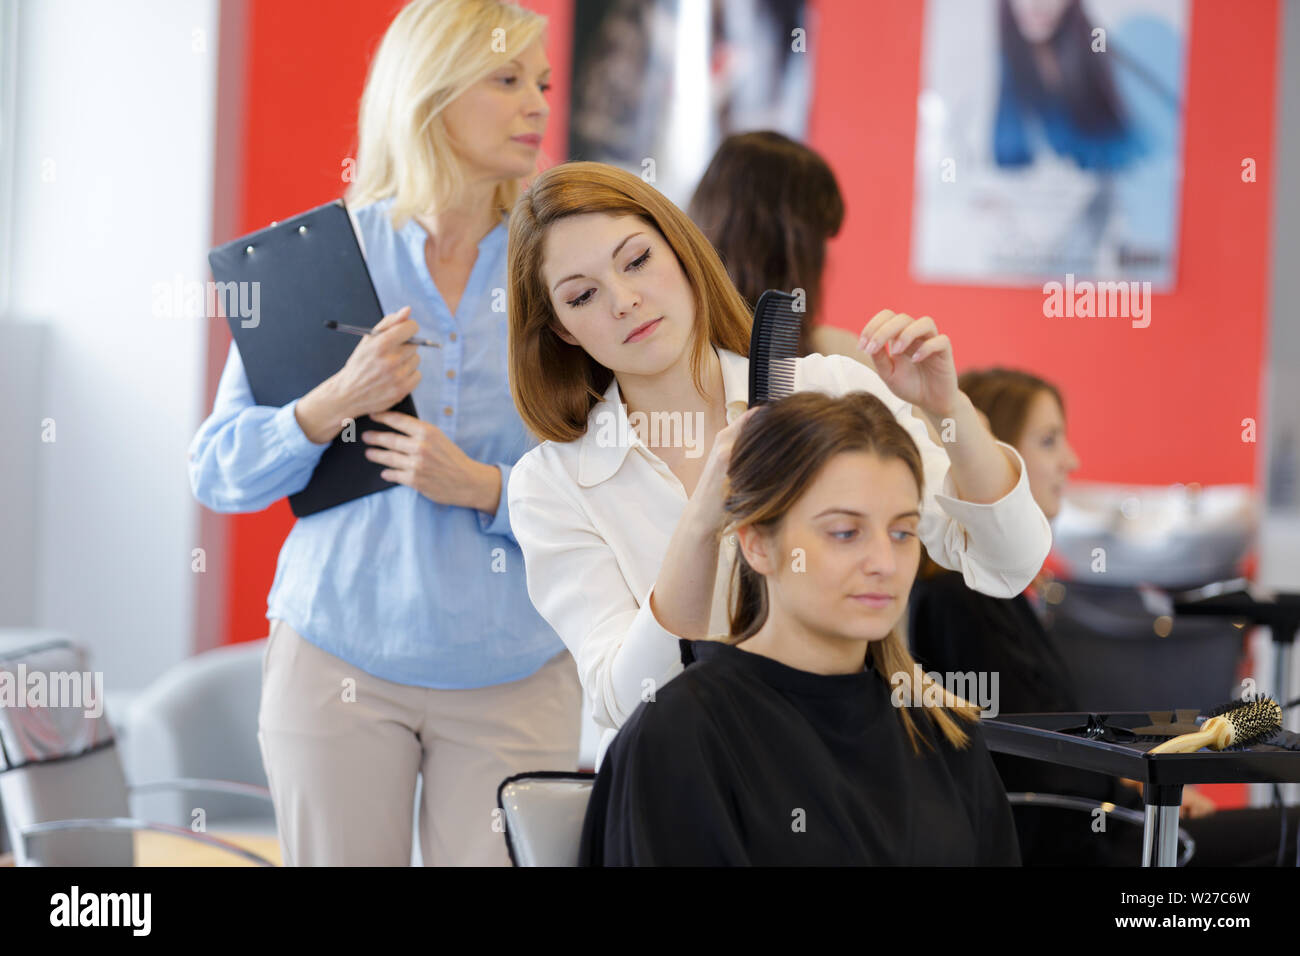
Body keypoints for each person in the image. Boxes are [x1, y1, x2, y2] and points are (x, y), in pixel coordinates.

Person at [188, 0, 580, 866]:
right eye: (507, 80)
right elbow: (217, 471)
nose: (539, 106)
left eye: (543, 83)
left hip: (516, 670)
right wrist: (331, 402)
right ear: (431, 96)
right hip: (338, 664)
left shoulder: (563, 267)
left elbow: (611, 484)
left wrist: (484, 487)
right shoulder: (325, 257)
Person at [503, 160, 1052, 766]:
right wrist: (704, 518)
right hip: (685, 787)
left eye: (636, 261)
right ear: (563, 330)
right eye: (583, 295)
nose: (625, 301)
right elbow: (626, 696)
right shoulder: (552, 484)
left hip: (845, 765)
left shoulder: (830, 390)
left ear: (682, 253)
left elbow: (1008, 560)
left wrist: (950, 410)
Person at [578, 391, 1021, 865]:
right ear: (758, 545)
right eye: (844, 533)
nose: (884, 563)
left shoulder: (942, 731)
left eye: (902, 533)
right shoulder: (684, 734)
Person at [908, 366, 1300, 866]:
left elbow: (1052, 744)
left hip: (1103, 825)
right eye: (1049, 441)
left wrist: (1134, 788)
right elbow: (1029, 765)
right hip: (1077, 846)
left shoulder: (993, 593)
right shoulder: (959, 600)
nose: (1070, 461)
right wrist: (1142, 799)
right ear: (994, 452)